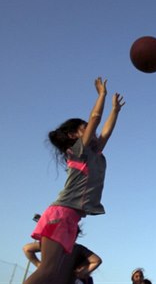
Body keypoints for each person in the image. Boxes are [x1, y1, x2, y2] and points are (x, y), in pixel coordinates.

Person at [24, 77, 124, 284]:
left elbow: (105, 132)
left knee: (51, 274)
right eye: (85, 128)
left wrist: (115, 111)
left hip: (71, 219)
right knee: (46, 272)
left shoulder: (94, 153)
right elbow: (95, 117)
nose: (92, 131)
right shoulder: (78, 151)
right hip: (60, 215)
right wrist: (102, 95)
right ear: (72, 136)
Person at [22, 227, 102, 284]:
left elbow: (27, 249)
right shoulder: (77, 249)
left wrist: (39, 264)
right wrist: (82, 272)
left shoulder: (54, 245)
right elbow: (96, 260)